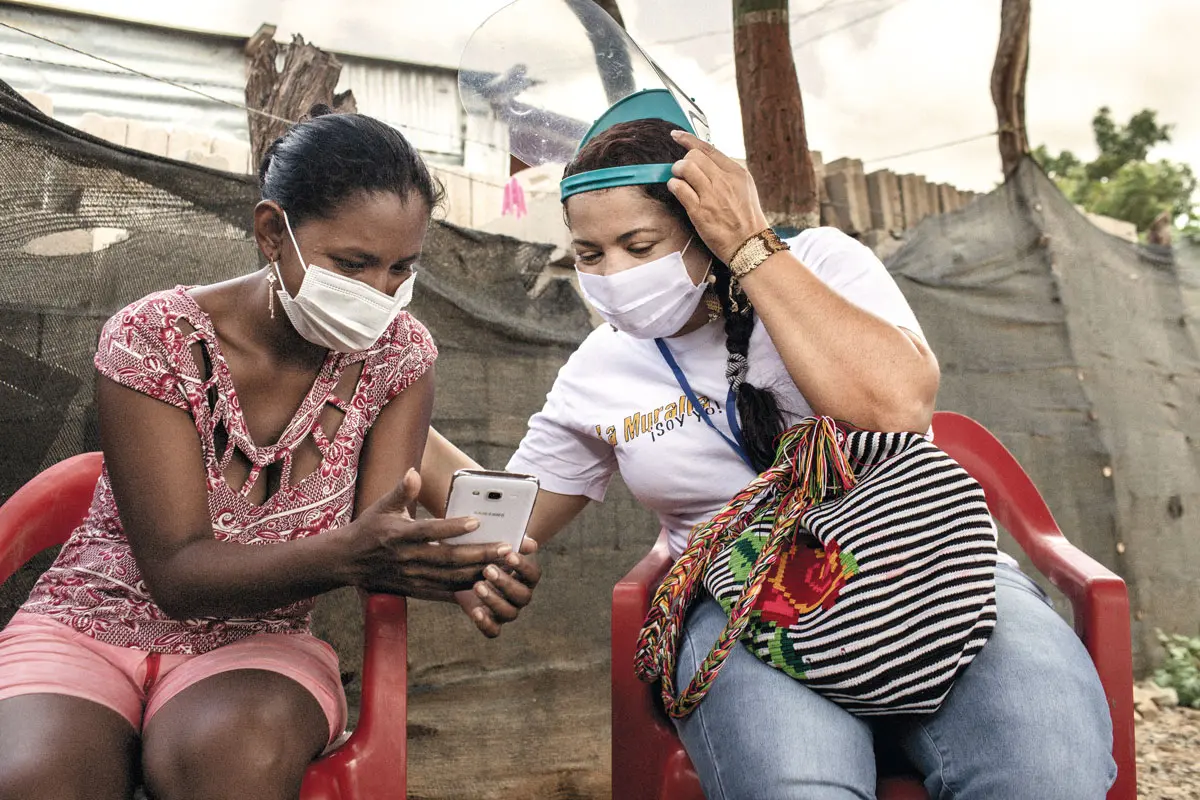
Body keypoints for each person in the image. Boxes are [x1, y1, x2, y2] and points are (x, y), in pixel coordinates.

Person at [421, 117, 1118, 799]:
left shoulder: (821, 263)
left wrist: (751, 248)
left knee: (1046, 767)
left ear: (702, 226)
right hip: (740, 605)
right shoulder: (599, 368)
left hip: (925, 566)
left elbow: (893, 408)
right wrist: (386, 407)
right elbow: (504, 518)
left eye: (639, 244)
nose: (614, 276)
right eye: (589, 255)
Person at [0, 106, 539, 800]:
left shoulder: (399, 358)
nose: (380, 293)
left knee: (233, 761)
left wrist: (454, 568)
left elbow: (382, 540)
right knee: (39, 777)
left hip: (259, 643)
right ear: (270, 232)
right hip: (87, 623)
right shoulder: (155, 336)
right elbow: (177, 573)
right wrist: (355, 553)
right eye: (352, 264)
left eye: (401, 268)